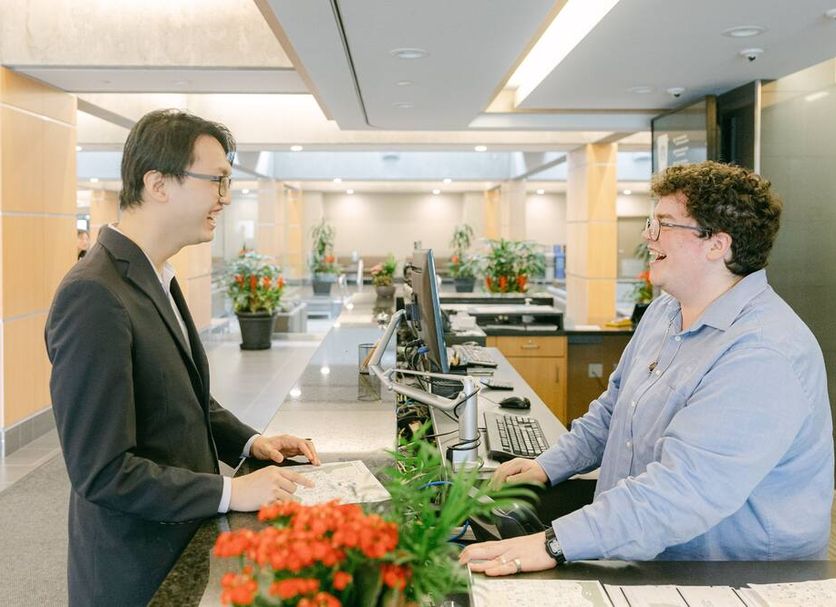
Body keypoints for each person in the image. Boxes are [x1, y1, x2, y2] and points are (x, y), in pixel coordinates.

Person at [461, 161, 833, 575]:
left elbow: (684, 491)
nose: (647, 235)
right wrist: (548, 466)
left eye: (663, 224)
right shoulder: (664, 312)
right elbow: (614, 410)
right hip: (643, 553)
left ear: (717, 244)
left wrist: (554, 543)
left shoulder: (762, 353)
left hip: (732, 578)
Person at [46, 109, 321, 606]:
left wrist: (251, 442)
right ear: (158, 184)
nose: (225, 197)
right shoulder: (94, 294)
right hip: (134, 572)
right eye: (217, 180)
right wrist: (231, 492)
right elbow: (102, 471)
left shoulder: (156, 275)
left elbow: (183, 396)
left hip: (178, 544)